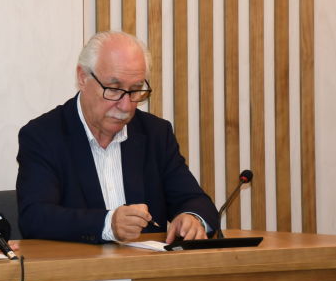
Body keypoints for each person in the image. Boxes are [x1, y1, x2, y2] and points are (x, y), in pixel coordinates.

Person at [16, 31, 219, 245]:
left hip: (147, 271)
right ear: (83, 78)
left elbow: (196, 201)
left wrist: (192, 219)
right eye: (113, 89)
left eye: (135, 90)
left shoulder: (155, 133)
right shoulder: (43, 135)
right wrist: (107, 224)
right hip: (81, 272)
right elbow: (35, 218)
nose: (126, 105)